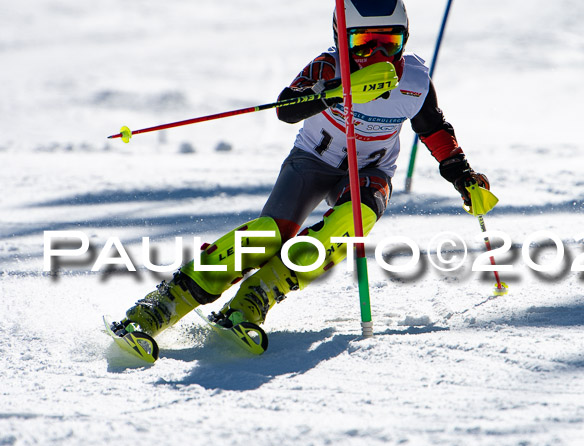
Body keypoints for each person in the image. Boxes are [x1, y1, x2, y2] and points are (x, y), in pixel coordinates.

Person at [112, 0, 489, 344]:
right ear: (341, 39)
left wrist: (464, 178)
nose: (377, 54)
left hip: (370, 170)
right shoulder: (328, 66)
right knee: (268, 236)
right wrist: (337, 90)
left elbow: (435, 130)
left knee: (351, 220)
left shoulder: (414, 82)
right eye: (363, 43)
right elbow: (286, 109)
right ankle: (160, 306)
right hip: (312, 162)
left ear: (405, 39)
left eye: (389, 42)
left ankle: (253, 300)